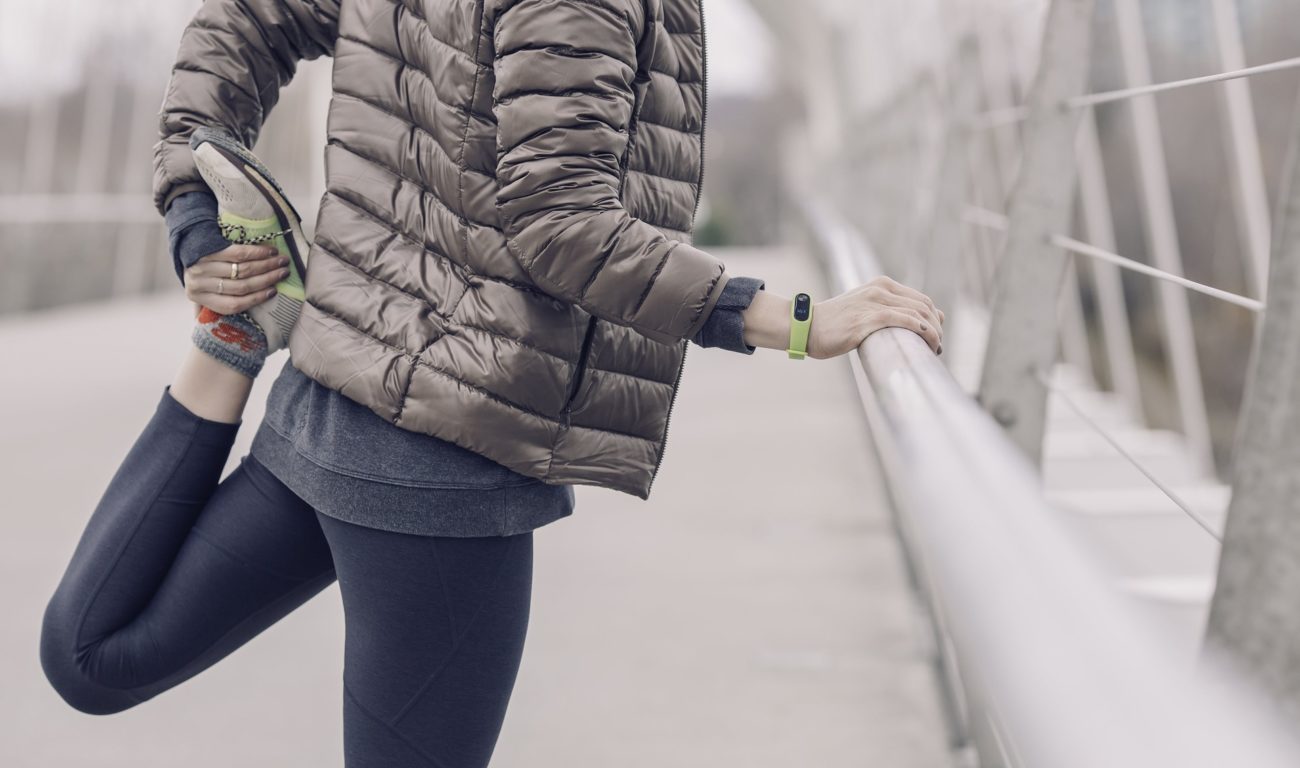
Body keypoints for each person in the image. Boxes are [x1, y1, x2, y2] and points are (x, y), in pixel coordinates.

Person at [38, 0, 945, 766]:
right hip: (444, 458)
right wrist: (793, 321)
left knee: (94, 654)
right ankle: (245, 330)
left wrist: (195, 207)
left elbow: (246, 18)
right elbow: (560, 226)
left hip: (327, 402)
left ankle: (238, 340)